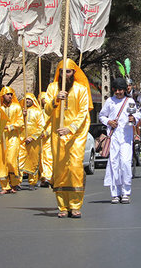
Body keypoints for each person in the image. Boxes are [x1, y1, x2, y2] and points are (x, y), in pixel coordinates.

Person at [43, 59, 92, 218]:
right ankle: (62, 206)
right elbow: (47, 110)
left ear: (74, 73)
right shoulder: (52, 88)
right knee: (60, 170)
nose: (65, 74)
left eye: (68, 71)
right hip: (57, 135)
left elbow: (83, 113)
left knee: (74, 168)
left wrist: (70, 129)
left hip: (75, 136)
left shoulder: (81, 89)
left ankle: (75, 205)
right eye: (62, 71)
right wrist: (55, 99)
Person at [100, 78, 141, 204]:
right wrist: (109, 122)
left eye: (121, 90)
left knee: (125, 163)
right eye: (116, 90)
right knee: (114, 164)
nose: (118, 92)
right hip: (113, 137)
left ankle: (126, 192)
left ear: (124, 90)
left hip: (126, 138)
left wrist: (133, 118)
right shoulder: (109, 101)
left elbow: (138, 115)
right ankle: (115, 193)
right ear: (113, 90)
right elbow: (102, 115)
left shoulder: (130, 101)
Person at [0, 86, 24, 194]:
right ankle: (5, 186)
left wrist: (10, 127)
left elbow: (21, 122)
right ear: (3, 96)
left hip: (13, 137)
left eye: (11, 94)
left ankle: (14, 183)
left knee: (11, 160)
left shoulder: (17, 107)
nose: (10, 96)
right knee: (2, 162)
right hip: (1, 138)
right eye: (8, 94)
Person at [22, 93, 46, 190]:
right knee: (20, 160)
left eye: (29, 99)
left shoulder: (38, 112)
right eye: (26, 99)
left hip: (33, 141)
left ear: (33, 101)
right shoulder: (21, 111)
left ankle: (32, 182)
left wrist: (32, 137)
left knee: (33, 161)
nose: (27, 101)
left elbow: (41, 127)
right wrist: (22, 116)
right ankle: (17, 182)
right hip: (21, 140)